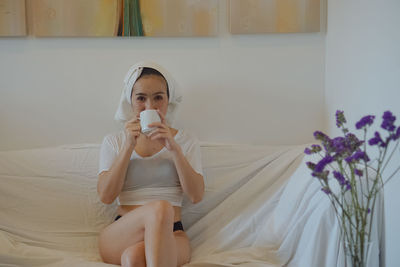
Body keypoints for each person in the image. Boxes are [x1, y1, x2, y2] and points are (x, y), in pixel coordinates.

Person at [97, 62, 204, 267]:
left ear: (168, 100)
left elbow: (196, 195)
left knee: (134, 259)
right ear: (130, 100)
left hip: (173, 233)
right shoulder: (115, 141)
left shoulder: (184, 141)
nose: (150, 106)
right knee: (160, 208)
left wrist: (173, 149)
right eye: (141, 98)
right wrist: (129, 145)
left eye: (158, 97)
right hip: (123, 232)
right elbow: (106, 196)